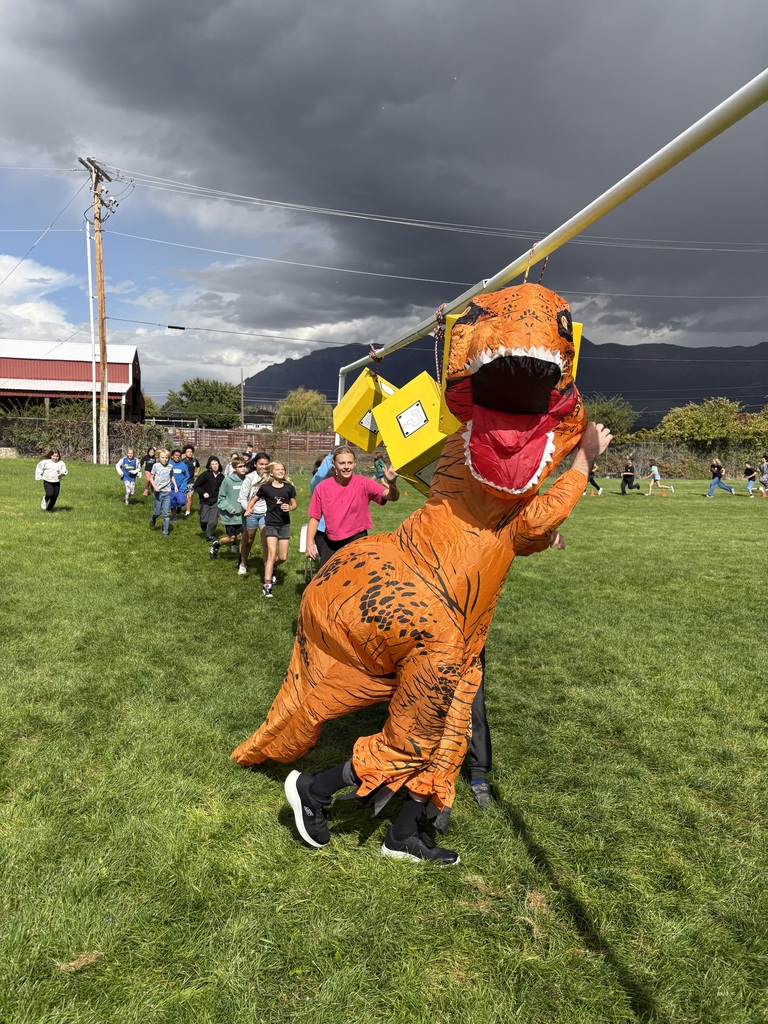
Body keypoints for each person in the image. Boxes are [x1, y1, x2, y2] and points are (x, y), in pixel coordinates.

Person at [306, 445, 400, 568]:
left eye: (350, 463)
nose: (346, 467)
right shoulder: (322, 487)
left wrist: (392, 483)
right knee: (327, 579)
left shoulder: (364, 483)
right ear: (334, 464)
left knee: (356, 578)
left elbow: (392, 497)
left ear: (355, 463)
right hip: (331, 540)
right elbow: (315, 517)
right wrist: (309, 542)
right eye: (342, 463)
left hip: (357, 538)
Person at [246, 461, 297, 597]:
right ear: (271, 473)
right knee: (271, 554)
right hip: (270, 524)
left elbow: (294, 504)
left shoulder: (288, 488)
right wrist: (249, 509)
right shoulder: (266, 488)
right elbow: (253, 499)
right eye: (278, 469)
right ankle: (267, 585)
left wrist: (290, 507)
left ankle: (273, 566)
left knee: (283, 557)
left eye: (283, 469)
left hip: (284, 524)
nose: (281, 471)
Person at [237, 451, 271, 577]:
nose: (263, 467)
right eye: (261, 464)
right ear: (255, 464)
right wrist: (248, 508)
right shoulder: (249, 478)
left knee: (266, 541)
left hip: (266, 513)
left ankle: (268, 568)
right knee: (248, 540)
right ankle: (243, 563)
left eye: (266, 464)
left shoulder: (271, 478)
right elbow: (241, 498)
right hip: (251, 513)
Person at [210, 458, 248, 560]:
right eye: (240, 466)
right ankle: (217, 544)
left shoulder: (248, 480)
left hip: (244, 514)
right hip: (231, 516)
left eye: (244, 466)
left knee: (243, 538)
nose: (243, 468)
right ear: (234, 468)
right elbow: (221, 498)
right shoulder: (227, 481)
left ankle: (241, 560)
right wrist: (229, 508)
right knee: (232, 538)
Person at [194, 456, 224, 543]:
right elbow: (196, 486)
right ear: (210, 466)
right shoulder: (205, 475)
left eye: (216, 464)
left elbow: (224, 488)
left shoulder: (221, 477)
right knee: (204, 520)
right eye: (213, 464)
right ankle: (202, 523)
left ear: (219, 465)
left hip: (216, 501)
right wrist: (203, 493)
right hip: (205, 501)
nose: (215, 466)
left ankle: (210, 537)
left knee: (213, 521)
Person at [149, 449, 177, 537]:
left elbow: (171, 476)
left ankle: (165, 532)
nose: (164, 459)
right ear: (159, 458)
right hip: (158, 492)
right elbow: (151, 478)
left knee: (166, 513)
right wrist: (155, 487)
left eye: (166, 458)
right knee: (158, 512)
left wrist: (175, 485)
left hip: (167, 492)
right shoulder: (156, 466)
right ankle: (153, 518)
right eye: (162, 458)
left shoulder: (170, 466)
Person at [168, 449, 190, 521]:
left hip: (180, 488)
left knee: (182, 501)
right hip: (170, 488)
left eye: (179, 456)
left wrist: (183, 487)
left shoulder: (183, 465)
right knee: (172, 503)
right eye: (176, 455)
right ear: (172, 456)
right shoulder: (168, 464)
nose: (177, 457)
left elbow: (187, 476)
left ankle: (179, 506)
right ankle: (174, 516)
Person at [182, 445, 201, 518]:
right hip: (183, 482)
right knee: (183, 498)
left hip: (191, 481)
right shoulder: (182, 461)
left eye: (191, 452)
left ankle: (187, 512)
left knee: (189, 496)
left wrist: (197, 472)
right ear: (185, 453)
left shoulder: (195, 461)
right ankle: (180, 506)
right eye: (188, 452)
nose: (190, 453)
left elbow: (198, 467)